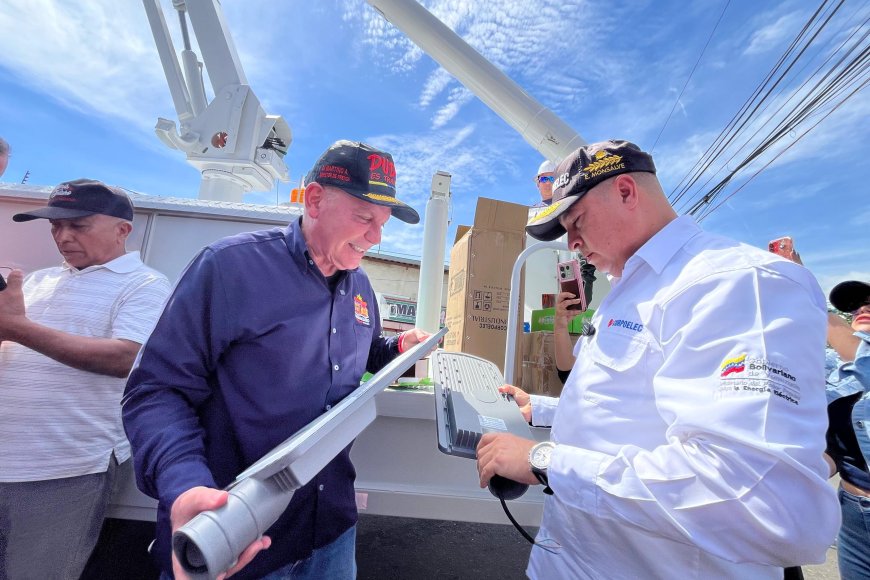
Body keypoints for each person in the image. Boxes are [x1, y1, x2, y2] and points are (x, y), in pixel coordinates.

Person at [476, 140, 840, 578]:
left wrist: (545, 462)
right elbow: (627, 408)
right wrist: (544, 410)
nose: (572, 244)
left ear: (627, 191)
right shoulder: (626, 290)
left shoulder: (738, 284)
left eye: (576, 221)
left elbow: (762, 504)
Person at [122, 140, 430, 579]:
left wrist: (398, 349)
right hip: (238, 537)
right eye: (364, 217)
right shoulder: (231, 267)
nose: (376, 237)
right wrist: (186, 485)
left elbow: (360, 353)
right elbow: (157, 390)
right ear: (316, 200)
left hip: (331, 530)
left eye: (382, 223)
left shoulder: (360, 288)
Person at [0, 179, 171, 579]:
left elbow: (126, 359)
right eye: (55, 226)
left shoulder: (144, 285)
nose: (63, 236)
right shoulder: (39, 281)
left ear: (122, 230)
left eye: (78, 225)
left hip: (65, 469)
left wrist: (17, 327)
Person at [823, 280, 870, 579]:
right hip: (853, 513)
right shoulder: (831, 365)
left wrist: (803, 288)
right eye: (855, 305)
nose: (863, 308)